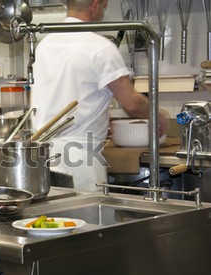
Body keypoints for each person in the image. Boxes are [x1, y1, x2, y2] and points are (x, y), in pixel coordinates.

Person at [31, 0, 169, 192]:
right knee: (86, 221)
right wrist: (157, 114)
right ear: (95, 5)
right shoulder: (100, 47)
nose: (103, 12)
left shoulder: (44, 45)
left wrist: (101, 118)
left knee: (50, 220)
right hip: (80, 162)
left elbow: (64, 92)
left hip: (41, 157)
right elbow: (131, 104)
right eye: (104, 6)